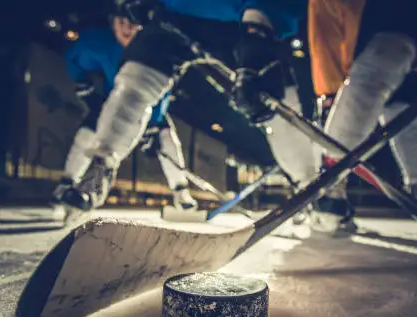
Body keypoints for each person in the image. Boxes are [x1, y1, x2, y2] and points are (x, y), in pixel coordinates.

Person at [59, 0, 308, 211]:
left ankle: (308, 181)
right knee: (140, 72)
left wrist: (260, 30)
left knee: (267, 95)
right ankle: (100, 164)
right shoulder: (105, 43)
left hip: (241, 21)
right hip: (172, 17)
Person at [305, 0, 417, 232]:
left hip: (390, 31)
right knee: (400, 109)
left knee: (380, 93)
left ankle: (332, 193)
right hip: (385, 36)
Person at [53, 8, 197, 214]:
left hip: (152, 107)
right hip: (111, 103)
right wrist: (83, 84)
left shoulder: (157, 47)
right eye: (122, 22)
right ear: (112, 22)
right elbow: (74, 56)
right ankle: (68, 185)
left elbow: (163, 94)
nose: (128, 28)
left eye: (133, 23)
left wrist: (153, 125)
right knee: (88, 133)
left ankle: (181, 193)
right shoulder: (99, 44)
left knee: (168, 139)